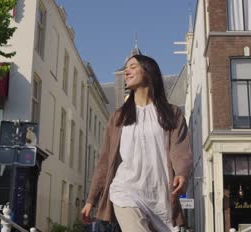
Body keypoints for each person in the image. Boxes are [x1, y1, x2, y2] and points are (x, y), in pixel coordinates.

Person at [81, 54, 193, 232]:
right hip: (125, 190)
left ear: (148, 72)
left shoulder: (172, 113)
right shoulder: (118, 117)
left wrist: (181, 172)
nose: (127, 71)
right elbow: (104, 161)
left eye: (133, 66)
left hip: (160, 197)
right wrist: (91, 200)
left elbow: (180, 149)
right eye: (126, 68)